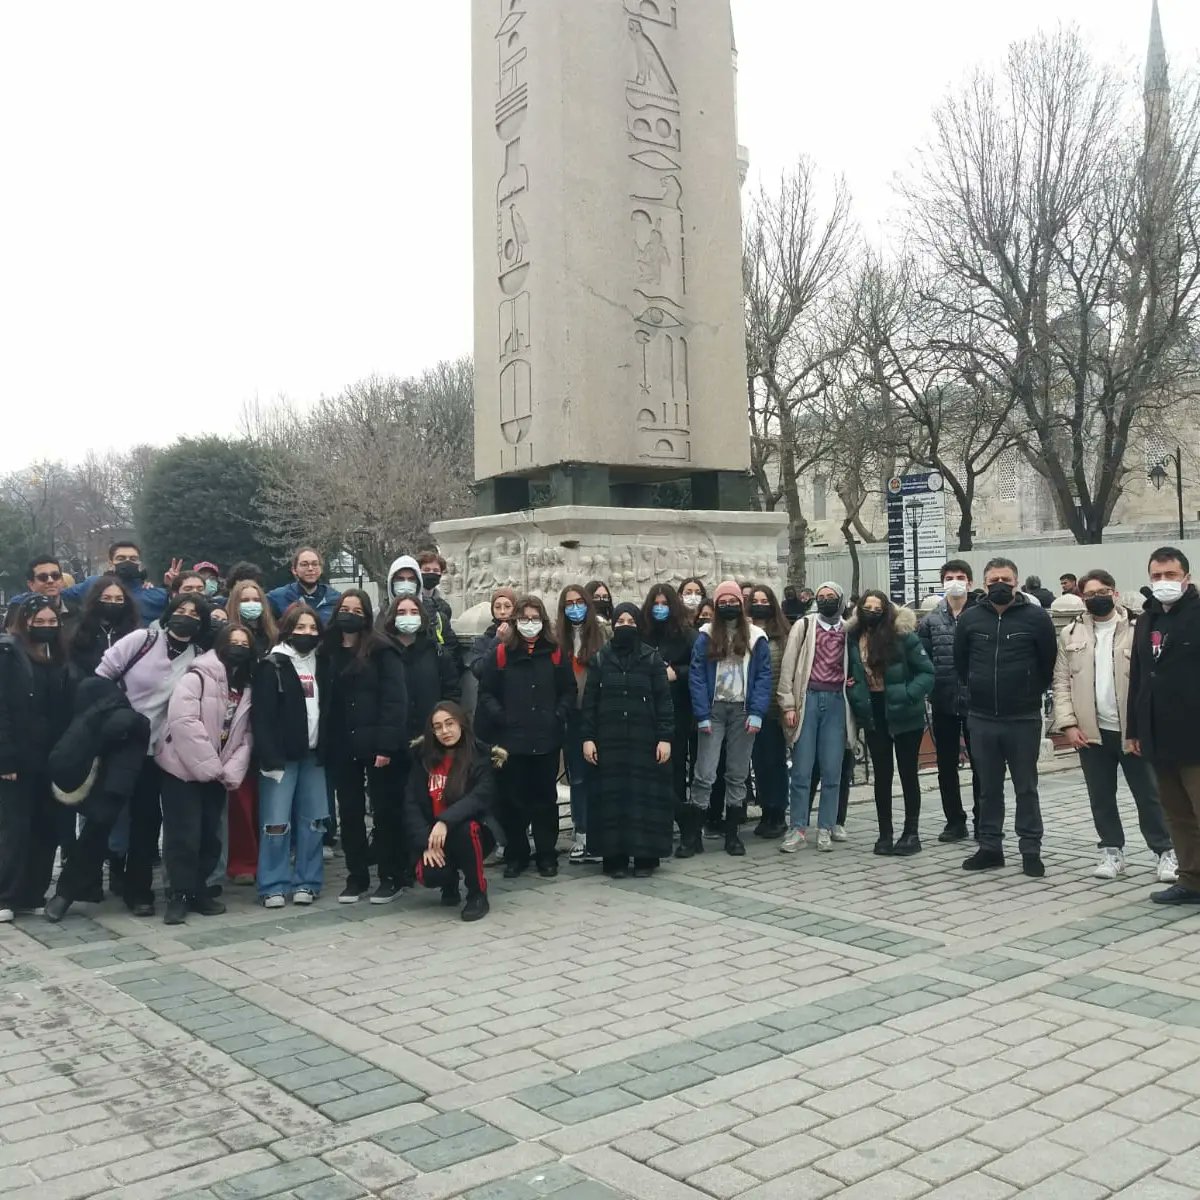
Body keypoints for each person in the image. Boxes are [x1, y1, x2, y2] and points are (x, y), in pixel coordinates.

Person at [1053, 569, 1176, 884]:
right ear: (1082, 598)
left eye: (1104, 590)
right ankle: (1111, 850)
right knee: (1101, 795)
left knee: (1148, 795)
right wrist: (1067, 724)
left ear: (1116, 593)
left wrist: (1147, 727)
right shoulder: (1070, 634)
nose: (1098, 597)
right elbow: (1062, 684)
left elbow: (1153, 680)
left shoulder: (1138, 629)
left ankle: (1165, 852)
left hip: (1131, 731)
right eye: (1091, 593)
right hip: (1091, 732)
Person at [96, 592, 211, 915]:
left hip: (162, 750)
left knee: (148, 823)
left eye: (194, 613)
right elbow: (102, 676)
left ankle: (141, 891)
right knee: (108, 816)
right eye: (181, 609)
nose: (186, 616)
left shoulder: (197, 657)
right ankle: (86, 882)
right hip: (122, 742)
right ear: (169, 612)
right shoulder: (142, 640)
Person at [954, 557, 1056, 877]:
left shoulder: (1036, 618)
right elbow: (961, 663)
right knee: (988, 787)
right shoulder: (970, 619)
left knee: (1026, 786)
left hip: (1023, 717)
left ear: (1017, 581)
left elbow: (1047, 663)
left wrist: (1027, 692)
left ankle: (1030, 849)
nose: (1000, 584)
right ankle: (990, 847)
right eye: (994, 579)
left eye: (1006, 579)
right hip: (983, 716)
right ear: (984, 584)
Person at [155, 626, 254, 925]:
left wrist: (230, 770)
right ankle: (179, 894)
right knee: (183, 836)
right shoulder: (196, 676)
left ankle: (199, 890)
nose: (238, 647)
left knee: (210, 835)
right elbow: (184, 722)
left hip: (217, 775)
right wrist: (209, 766)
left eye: (244, 643)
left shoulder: (247, 685)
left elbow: (247, 733)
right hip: (182, 770)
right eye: (232, 642)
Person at [477, 595, 574, 878]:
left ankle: (546, 854)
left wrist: (558, 714)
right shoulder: (501, 654)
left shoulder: (555, 652)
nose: (529, 624)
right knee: (513, 801)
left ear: (542, 622)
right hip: (512, 740)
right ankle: (516, 854)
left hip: (545, 738)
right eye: (524, 619)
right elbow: (486, 692)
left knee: (544, 800)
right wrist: (501, 718)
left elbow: (568, 689)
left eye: (534, 619)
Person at [320, 589, 408, 903]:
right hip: (342, 745)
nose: (350, 614)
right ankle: (356, 877)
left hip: (377, 745)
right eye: (345, 608)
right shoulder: (327, 650)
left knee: (384, 812)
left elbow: (394, 701)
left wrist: (386, 745)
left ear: (367, 616)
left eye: (357, 610)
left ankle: (390, 875)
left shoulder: (383, 650)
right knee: (351, 813)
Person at [1127, 547, 1200, 904]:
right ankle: (1191, 879)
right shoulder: (1146, 619)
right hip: (1158, 734)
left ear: (1186, 578)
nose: (1163, 582)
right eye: (1157, 576)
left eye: (1171, 576)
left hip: (1194, 733)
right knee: (1178, 814)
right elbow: (1138, 678)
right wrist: (1134, 730)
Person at [45, 676, 151, 921]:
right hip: (122, 751)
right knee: (107, 826)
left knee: (133, 825)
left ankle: (136, 892)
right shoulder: (123, 658)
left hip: (157, 750)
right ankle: (133, 892)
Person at [582, 602, 674, 878]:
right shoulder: (600, 658)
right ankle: (614, 857)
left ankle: (646, 856)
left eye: (630, 621)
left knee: (643, 799)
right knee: (613, 800)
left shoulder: (651, 659)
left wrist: (665, 737)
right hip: (609, 742)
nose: (624, 625)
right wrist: (588, 738)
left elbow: (664, 702)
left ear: (638, 624)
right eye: (620, 620)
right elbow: (590, 703)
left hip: (644, 742)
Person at [683, 581, 771, 858]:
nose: (729, 606)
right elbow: (697, 676)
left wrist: (757, 712)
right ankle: (693, 836)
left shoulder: (757, 636)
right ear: (716, 604)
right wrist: (701, 714)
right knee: (704, 773)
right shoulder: (706, 635)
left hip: (743, 710)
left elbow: (763, 677)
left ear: (741, 604)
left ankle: (733, 835)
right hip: (714, 710)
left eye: (734, 601)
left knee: (737, 773)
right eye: (724, 601)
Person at [253, 604, 330, 907]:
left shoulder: (323, 662)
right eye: (301, 628)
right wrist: (268, 755)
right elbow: (261, 717)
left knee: (313, 822)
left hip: (314, 756)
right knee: (275, 822)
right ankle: (272, 883)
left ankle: (308, 881)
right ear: (288, 630)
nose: (307, 634)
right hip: (281, 757)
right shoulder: (272, 664)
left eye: (312, 628)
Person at [0, 596, 72, 922]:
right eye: (38, 621)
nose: (45, 627)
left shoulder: (56, 656)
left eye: (50, 621)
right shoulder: (8, 653)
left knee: (46, 827)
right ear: (24, 621)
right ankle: (6, 895)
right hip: (18, 757)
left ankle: (32, 892)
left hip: (50, 757)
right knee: (13, 828)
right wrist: (6, 758)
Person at [847, 591, 935, 855]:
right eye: (867, 606)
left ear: (887, 610)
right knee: (882, 776)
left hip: (903, 709)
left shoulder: (902, 635)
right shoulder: (853, 638)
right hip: (873, 711)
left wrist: (908, 694)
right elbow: (850, 672)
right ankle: (885, 833)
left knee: (908, 773)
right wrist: (852, 688)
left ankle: (911, 833)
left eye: (877, 607)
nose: (872, 611)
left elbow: (927, 672)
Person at [404, 701, 503, 921]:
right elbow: (411, 805)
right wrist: (425, 843)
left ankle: (477, 893)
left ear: (461, 724)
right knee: (430, 874)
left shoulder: (479, 754)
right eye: (437, 727)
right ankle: (449, 884)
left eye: (450, 723)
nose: (445, 731)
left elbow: (480, 797)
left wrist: (445, 821)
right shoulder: (422, 759)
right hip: (434, 837)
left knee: (466, 830)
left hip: (471, 832)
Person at [778, 582, 856, 854]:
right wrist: (788, 704)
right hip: (808, 699)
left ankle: (825, 827)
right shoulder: (805, 626)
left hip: (837, 702)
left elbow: (857, 662)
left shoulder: (848, 630)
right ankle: (798, 828)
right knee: (801, 769)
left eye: (831, 597)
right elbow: (788, 665)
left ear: (840, 600)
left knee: (833, 769)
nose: (825, 601)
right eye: (820, 597)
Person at [919, 560, 980, 842]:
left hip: (977, 701)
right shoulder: (931, 620)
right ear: (942, 582)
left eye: (960, 577)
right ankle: (954, 820)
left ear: (969, 582)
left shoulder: (981, 615)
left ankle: (984, 819)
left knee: (982, 764)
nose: (955, 581)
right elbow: (924, 660)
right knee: (945, 765)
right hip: (943, 700)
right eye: (950, 577)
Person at [556, 584, 610, 865]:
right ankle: (582, 833)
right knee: (577, 777)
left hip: (600, 713)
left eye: (579, 601)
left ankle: (603, 832)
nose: (574, 606)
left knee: (601, 774)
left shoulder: (603, 633)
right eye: (569, 603)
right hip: (572, 715)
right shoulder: (558, 638)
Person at [641, 583, 696, 836]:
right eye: (656, 604)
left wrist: (677, 673)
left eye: (665, 604)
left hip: (677, 708)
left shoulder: (687, 634)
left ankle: (678, 817)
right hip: (645, 708)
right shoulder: (642, 633)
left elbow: (699, 668)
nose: (660, 609)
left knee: (674, 766)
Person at [748, 585, 791, 838]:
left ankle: (778, 812)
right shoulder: (746, 633)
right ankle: (765, 810)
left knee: (776, 762)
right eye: (756, 600)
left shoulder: (783, 634)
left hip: (775, 708)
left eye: (765, 600)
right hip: (752, 708)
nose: (760, 604)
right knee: (759, 763)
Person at [57, 541, 179, 626]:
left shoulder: (155, 595)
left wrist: (174, 587)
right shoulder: (92, 585)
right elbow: (57, 598)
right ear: (110, 562)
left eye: (133, 559)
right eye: (121, 559)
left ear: (139, 563)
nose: (127, 562)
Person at [68, 575, 140, 677]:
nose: (113, 602)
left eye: (119, 599)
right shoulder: (82, 632)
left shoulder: (134, 633)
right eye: (107, 598)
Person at [267, 548, 342, 626]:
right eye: (304, 564)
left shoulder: (335, 598)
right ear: (294, 570)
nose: (310, 568)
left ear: (321, 569)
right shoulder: (277, 597)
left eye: (315, 564)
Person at [467, 587, 517, 687]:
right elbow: (478, 670)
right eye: (498, 607)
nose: (502, 612)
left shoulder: (522, 637)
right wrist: (497, 640)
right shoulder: (484, 640)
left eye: (507, 607)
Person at [227, 579, 277, 657]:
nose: (251, 603)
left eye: (257, 600)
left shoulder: (271, 632)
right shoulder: (226, 632)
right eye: (245, 600)